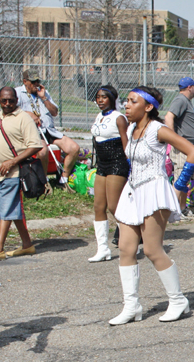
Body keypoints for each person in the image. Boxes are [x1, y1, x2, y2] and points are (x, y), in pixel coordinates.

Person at [110, 86, 194, 325]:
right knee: (126, 249)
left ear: (148, 107)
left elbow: (192, 152)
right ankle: (131, 306)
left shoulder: (157, 129)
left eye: (133, 101)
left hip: (154, 192)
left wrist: (179, 186)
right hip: (132, 191)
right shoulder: (131, 128)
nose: (127, 105)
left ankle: (178, 300)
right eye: (127, 101)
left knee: (152, 249)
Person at [0, 87, 42, 260]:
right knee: (11, 208)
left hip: (14, 172)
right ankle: (27, 244)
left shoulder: (23, 118)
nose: (7, 103)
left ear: (16, 100)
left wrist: (13, 161)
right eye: (4, 100)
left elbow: (35, 145)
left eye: (11, 100)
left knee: (7, 208)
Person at [15, 69, 78, 187]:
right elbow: (12, 110)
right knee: (43, 151)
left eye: (38, 81)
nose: (36, 84)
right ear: (25, 81)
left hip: (49, 131)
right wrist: (28, 114)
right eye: (33, 82)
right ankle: (44, 182)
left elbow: (54, 112)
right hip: (34, 132)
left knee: (74, 148)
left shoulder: (44, 93)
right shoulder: (17, 93)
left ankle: (63, 179)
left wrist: (44, 98)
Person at [88, 85, 129, 262]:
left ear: (112, 99)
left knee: (114, 206)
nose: (100, 100)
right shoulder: (99, 116)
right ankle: (103, 249)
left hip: (117, 163)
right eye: (98, 97)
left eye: (104, 97)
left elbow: (126, 143)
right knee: (99, 206)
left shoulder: (119, 118)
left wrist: (130, 165)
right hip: (102, 165)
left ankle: (130, 241)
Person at [164, 77, 194, 221]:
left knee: (185, 180)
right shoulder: (180, 100)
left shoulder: (186, 101)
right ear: (190, 87)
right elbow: (169, 117)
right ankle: (173, 212)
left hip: (190, 147)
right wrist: (174, 138)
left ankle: (182, 208)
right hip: (182, 147)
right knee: (180, 178)